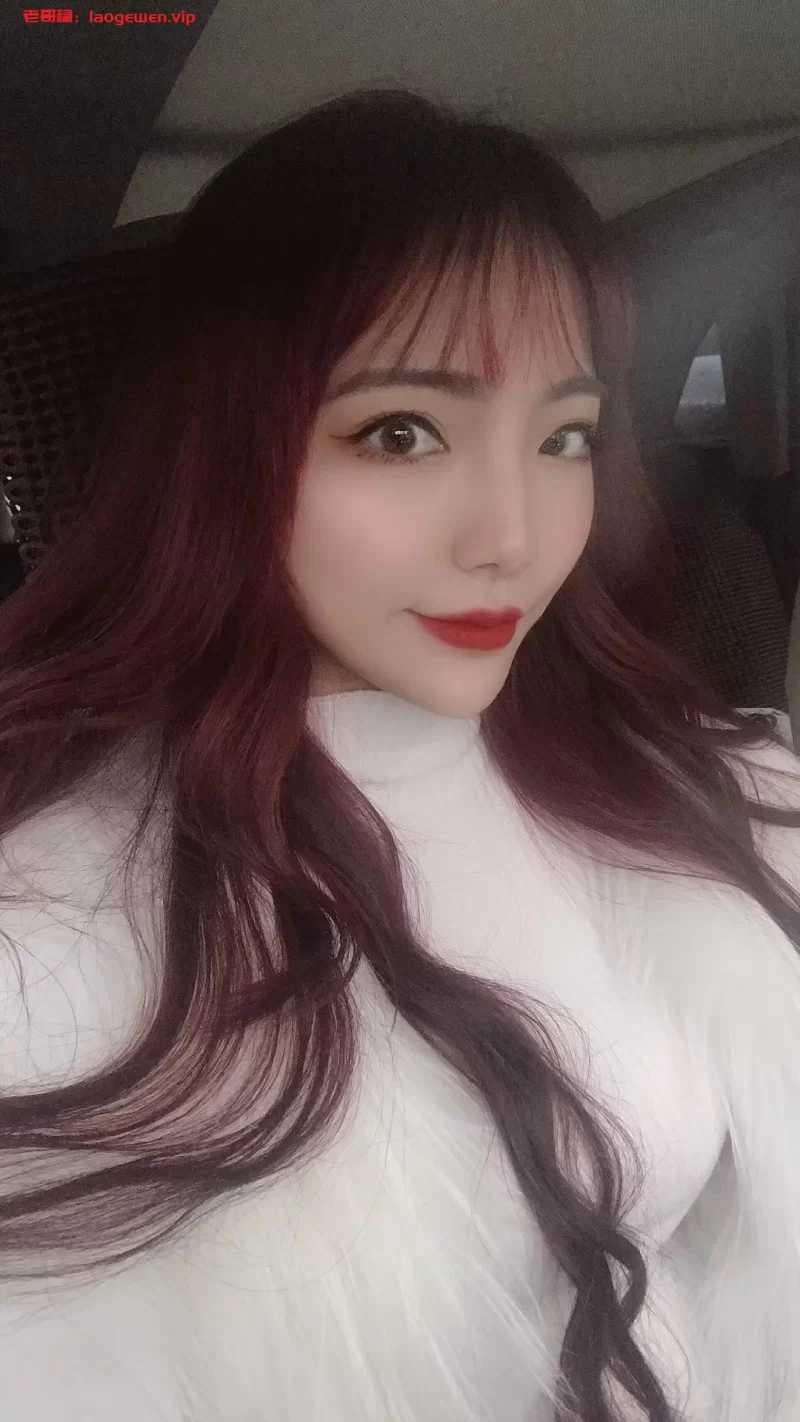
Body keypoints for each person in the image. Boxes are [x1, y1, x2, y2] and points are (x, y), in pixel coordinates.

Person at [0, 87, 799, 1422]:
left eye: (564, 436)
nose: (512, 534)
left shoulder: (686, 785)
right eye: (403, 432)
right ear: (224, 447)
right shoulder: (53, 931)